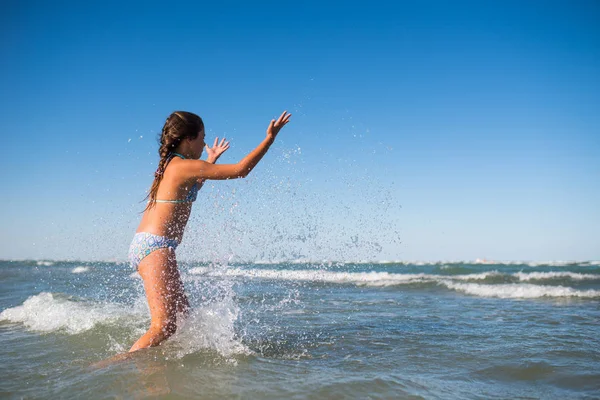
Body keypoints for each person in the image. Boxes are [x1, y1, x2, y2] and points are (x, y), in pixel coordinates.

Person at [128, 110, 291, 352]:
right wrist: (269, 139)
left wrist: (210, 160)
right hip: (155, 246)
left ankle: (163, 367)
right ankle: (115, 366)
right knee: (164, 326)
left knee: (182, 319)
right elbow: (240, 170)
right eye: (202, 137)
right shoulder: (183, 166)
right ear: (188, 139)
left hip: (153, 245)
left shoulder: (176, 165)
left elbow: (190, 189)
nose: (205, 143)